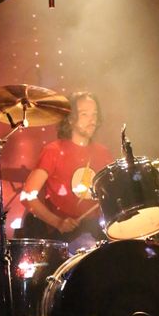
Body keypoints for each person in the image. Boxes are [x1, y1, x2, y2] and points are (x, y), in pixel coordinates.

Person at [19, 91, 113, 244]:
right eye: (84, 114)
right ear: (70, 119)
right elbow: (27, 196)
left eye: (94, 114)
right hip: (63, 237)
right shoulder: (53, 151)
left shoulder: (103, 153)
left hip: (97, 232)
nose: (92, 120)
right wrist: (57, 222)